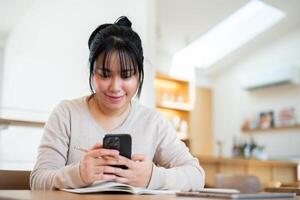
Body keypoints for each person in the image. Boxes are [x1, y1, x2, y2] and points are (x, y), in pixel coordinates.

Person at [30, 16, 205, 191]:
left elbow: (196, 175)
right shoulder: (66, 114)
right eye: (105, 75)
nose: (115, 87)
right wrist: (78, 174)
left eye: (126, 75)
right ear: (92, 73)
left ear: (139, 75)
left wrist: (153, 176)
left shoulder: (153, 123)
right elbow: (37, 180)